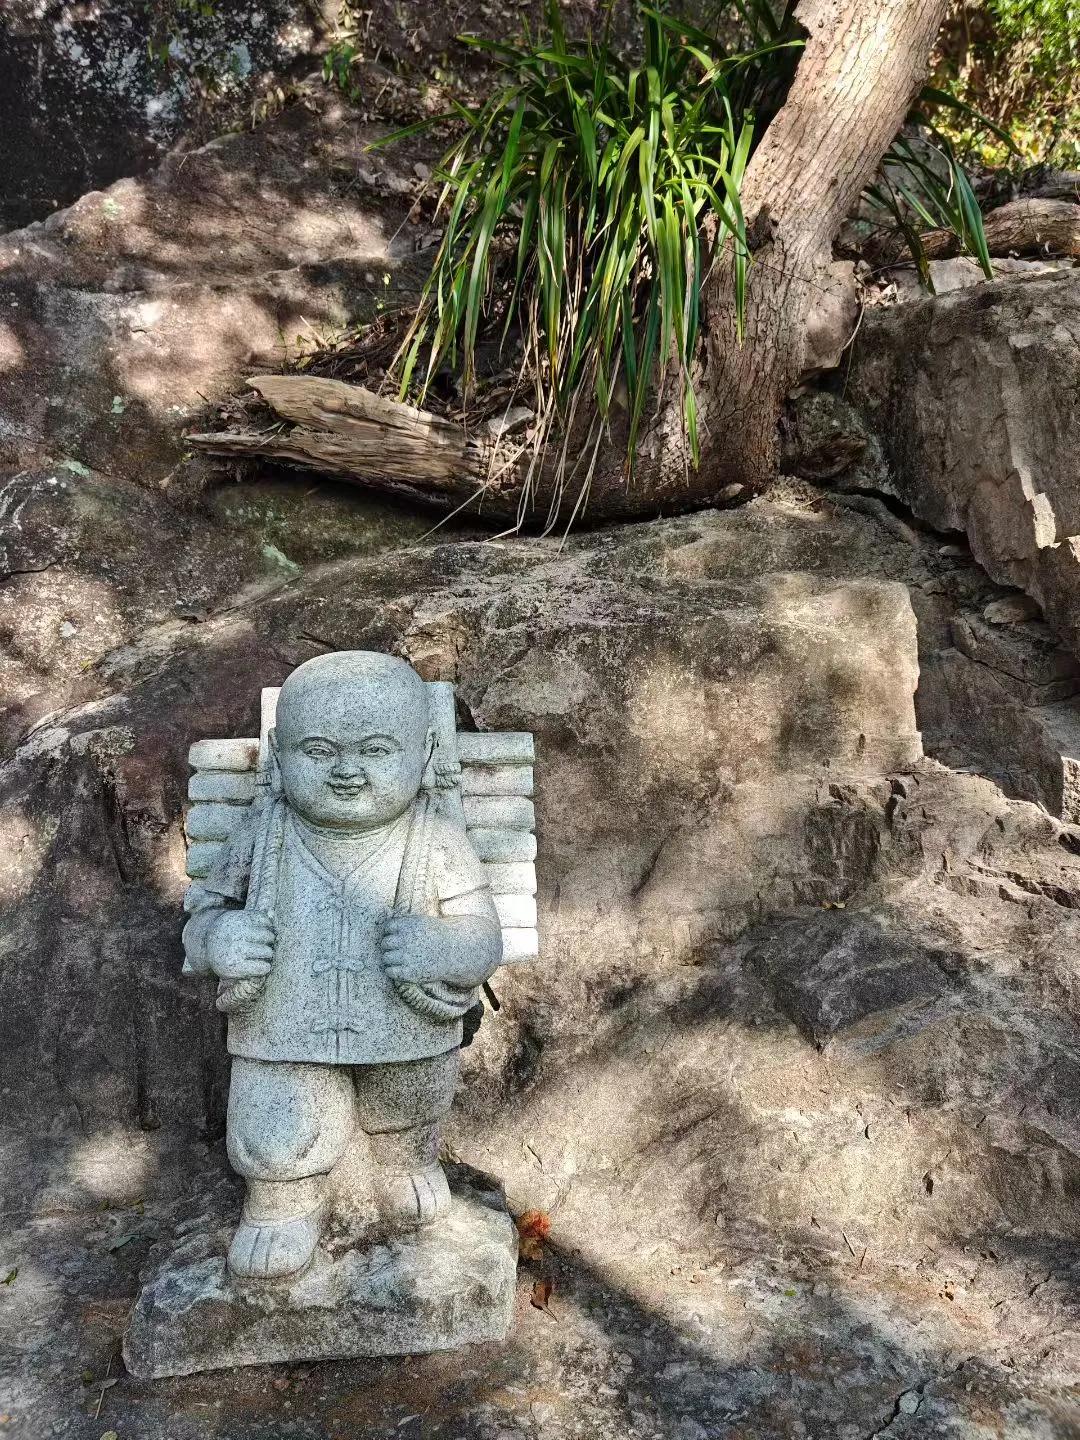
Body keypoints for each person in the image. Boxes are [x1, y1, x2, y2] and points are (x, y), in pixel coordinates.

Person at [182, 652, 503, 1281]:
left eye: (376, 750)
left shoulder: (437, 837)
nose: (347, 771)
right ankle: (282, 1203)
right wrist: (219, 938)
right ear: (279, 754)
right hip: (283, 1032)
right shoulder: (264, 832)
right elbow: (202, 920)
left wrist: (441, 949)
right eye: (319, 751)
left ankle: (404, 1161)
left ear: (424, 752)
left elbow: (483, 939)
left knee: (411, 1094)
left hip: (404, 1027)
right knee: (274, 1125)